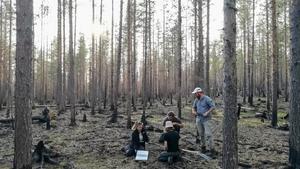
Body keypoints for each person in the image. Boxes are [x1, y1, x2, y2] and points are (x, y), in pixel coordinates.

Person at [191, 87, 216, 155]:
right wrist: (193, 111)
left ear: (199, 93)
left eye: (196, 93)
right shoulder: (196, 100)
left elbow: (213, 106)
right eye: (195, 94)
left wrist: (207, 112)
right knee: (201, 134)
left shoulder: (207, 99)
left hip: (206, 119)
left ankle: (212, 150)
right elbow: (193, 107)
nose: (195, 95)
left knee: (208, 134)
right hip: (199, 119)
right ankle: (203, 147)